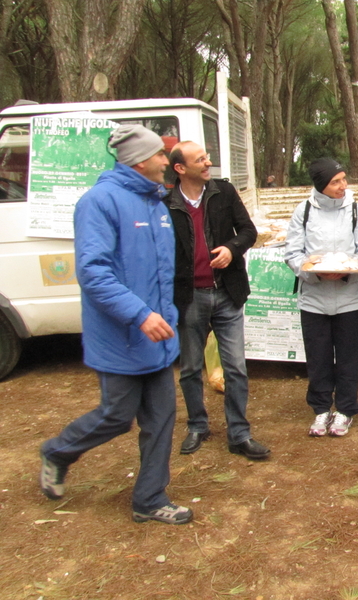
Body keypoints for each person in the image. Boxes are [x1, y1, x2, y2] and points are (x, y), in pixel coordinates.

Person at [39, 124, 192, 524]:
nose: (166, 161)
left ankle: (149, 498)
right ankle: (57, 452)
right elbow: (93, 273)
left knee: (161, 418)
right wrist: (140, 315)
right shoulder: (99, 202)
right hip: (121, 337)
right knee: (117, 416)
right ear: (140, 160)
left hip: (157, 337)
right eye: (161, 155)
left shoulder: (157, 204)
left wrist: (168, 315)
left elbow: (162, 272)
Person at [166, 141, 269, 460]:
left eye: (207, 157)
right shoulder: (165, 202)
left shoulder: (223, 192)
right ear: (180, 168)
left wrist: (231, 249)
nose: (208, 162)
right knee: (191, 368)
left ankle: (239, 433)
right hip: (189, 297)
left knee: (236, 367)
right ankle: (198, 425)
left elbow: (249, 231)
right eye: (200, 159)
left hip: (227, 293)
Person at [284, 158, 358, 437]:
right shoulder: (304, 211)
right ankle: (321, 410)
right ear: (321, 185)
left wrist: (347, 271)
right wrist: (314, 272)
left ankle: (345, 410)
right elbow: (292, 253)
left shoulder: (356, 210)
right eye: (336, 182)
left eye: (344, 179)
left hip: (349, 299)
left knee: (348, 357)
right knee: (318, 358)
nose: (343, 185)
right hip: (314, 300)